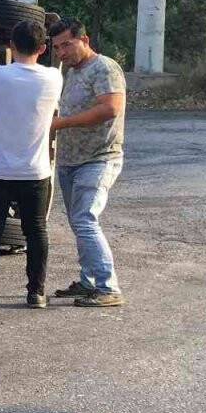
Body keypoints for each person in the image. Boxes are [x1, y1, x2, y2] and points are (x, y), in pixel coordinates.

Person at [0, 20, 62, 309]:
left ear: (10, 46)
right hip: (35, 169)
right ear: (43, 48)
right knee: (36, 230)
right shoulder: (54, 78)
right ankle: (36, 293)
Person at [48, 18, 128, 307]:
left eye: (67, 44)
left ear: (85, 40)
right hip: (71, 161)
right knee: (78, 222)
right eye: (57, 47)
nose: (61, 52)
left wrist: (61, 124)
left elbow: (110, 108)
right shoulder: (71, 72)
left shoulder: (104, 67)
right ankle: (89, 282)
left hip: (99, 158)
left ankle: (108, 287)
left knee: (85, 219)